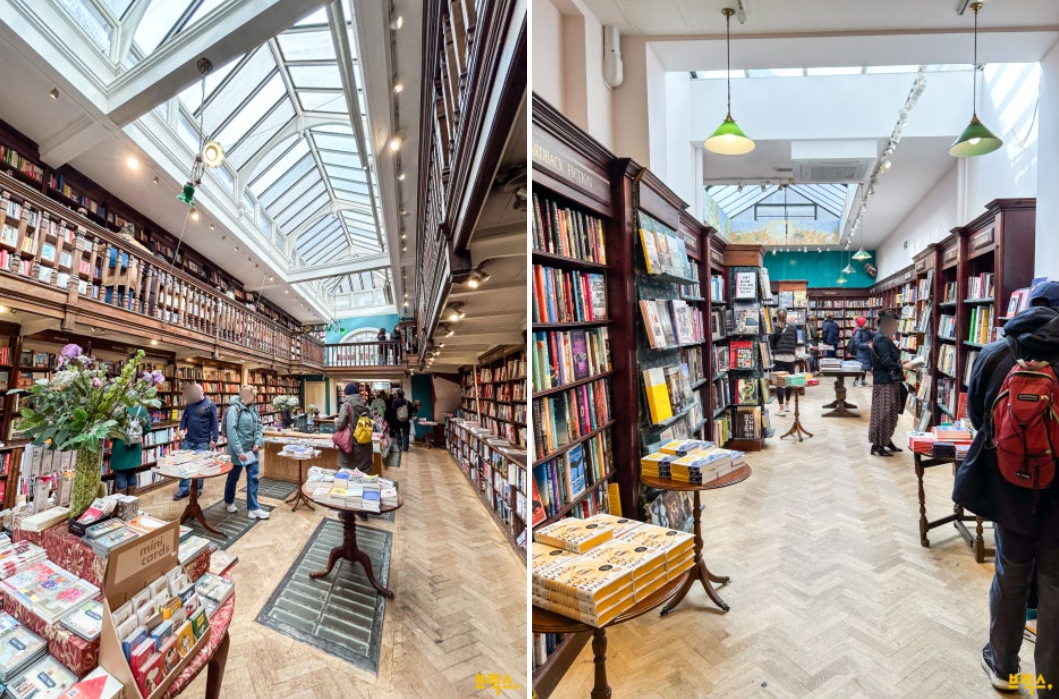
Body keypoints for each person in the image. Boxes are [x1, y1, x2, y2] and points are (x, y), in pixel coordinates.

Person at [952, 282, 1059, 694]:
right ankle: (1049, 684)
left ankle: (1003, 668)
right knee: (1055, 582)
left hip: (1010, 486)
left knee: (1010, 573)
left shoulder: (996, 351)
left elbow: (978, 416)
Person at [868, 312, 913, 457]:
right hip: (884, 382)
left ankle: (886, 440)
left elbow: (888, 359)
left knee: (891, 413)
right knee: (883, 414)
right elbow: (885, 362)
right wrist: (902, 366)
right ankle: (877, 446)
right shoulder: (881, 339)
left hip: (890, 381)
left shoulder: (883, 337)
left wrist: (900, 362)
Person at [222, 386, 269, 520]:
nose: (256, 399)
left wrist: (258, 442)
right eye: (255, 396)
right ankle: (229, 501)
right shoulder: (234, 409)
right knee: (233, 477)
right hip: (238, 452)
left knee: (253, 478)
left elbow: (259, 427)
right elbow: (231, 431)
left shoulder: (253, 409)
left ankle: (253, 509)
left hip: (251, 452)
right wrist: (239, 452)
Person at [174, 383, 218, 501]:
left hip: (203, 441)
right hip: (189, 439)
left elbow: (214, 422)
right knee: (185, 464)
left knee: (200, 466)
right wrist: (182, 429)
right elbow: (184, 418)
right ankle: (183, 489)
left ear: (202, 392)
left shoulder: (210, 404)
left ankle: (197, 489)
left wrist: (214, 438)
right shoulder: (190, 403)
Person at [111, 404, 150, 494]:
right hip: (135, 446)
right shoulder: (141, 409)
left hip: (120, 445)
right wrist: (135, 436)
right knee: (132, 472)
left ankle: (122, 501)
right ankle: (131, 500)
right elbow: (147, 428)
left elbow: (111, 430)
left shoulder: (118, 408)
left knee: (120, 473)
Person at [336, 382, 373, 471]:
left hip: (351, 444)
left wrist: (336, 422)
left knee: (347, 471)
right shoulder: (365, 405)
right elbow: (371, 419)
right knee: (363, 471)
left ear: (347, 393)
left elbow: (340, 425)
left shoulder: (346, 406)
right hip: (365, 443)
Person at [769, 308, 798, 416]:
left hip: (778, 357)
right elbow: (795, 343)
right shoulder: (793, 327)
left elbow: (771, 344)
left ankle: (781, 409)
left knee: (779, 383)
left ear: (777, 315)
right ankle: (787, 405)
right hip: (790, 358)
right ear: (786, 315)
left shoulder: (774, 328)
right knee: (789, 381)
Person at [852, 316, 873, 387]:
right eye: (865, 322)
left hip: (866, 352)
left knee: (865, 367)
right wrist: (867, 345)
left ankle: (863, 381)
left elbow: (872, 335)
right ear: (862, 324)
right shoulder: (858, 331)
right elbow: (858, 344)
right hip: (861, 353)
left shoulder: (866, 330)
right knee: (860, 368)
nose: (867, 323)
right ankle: (855, 381)